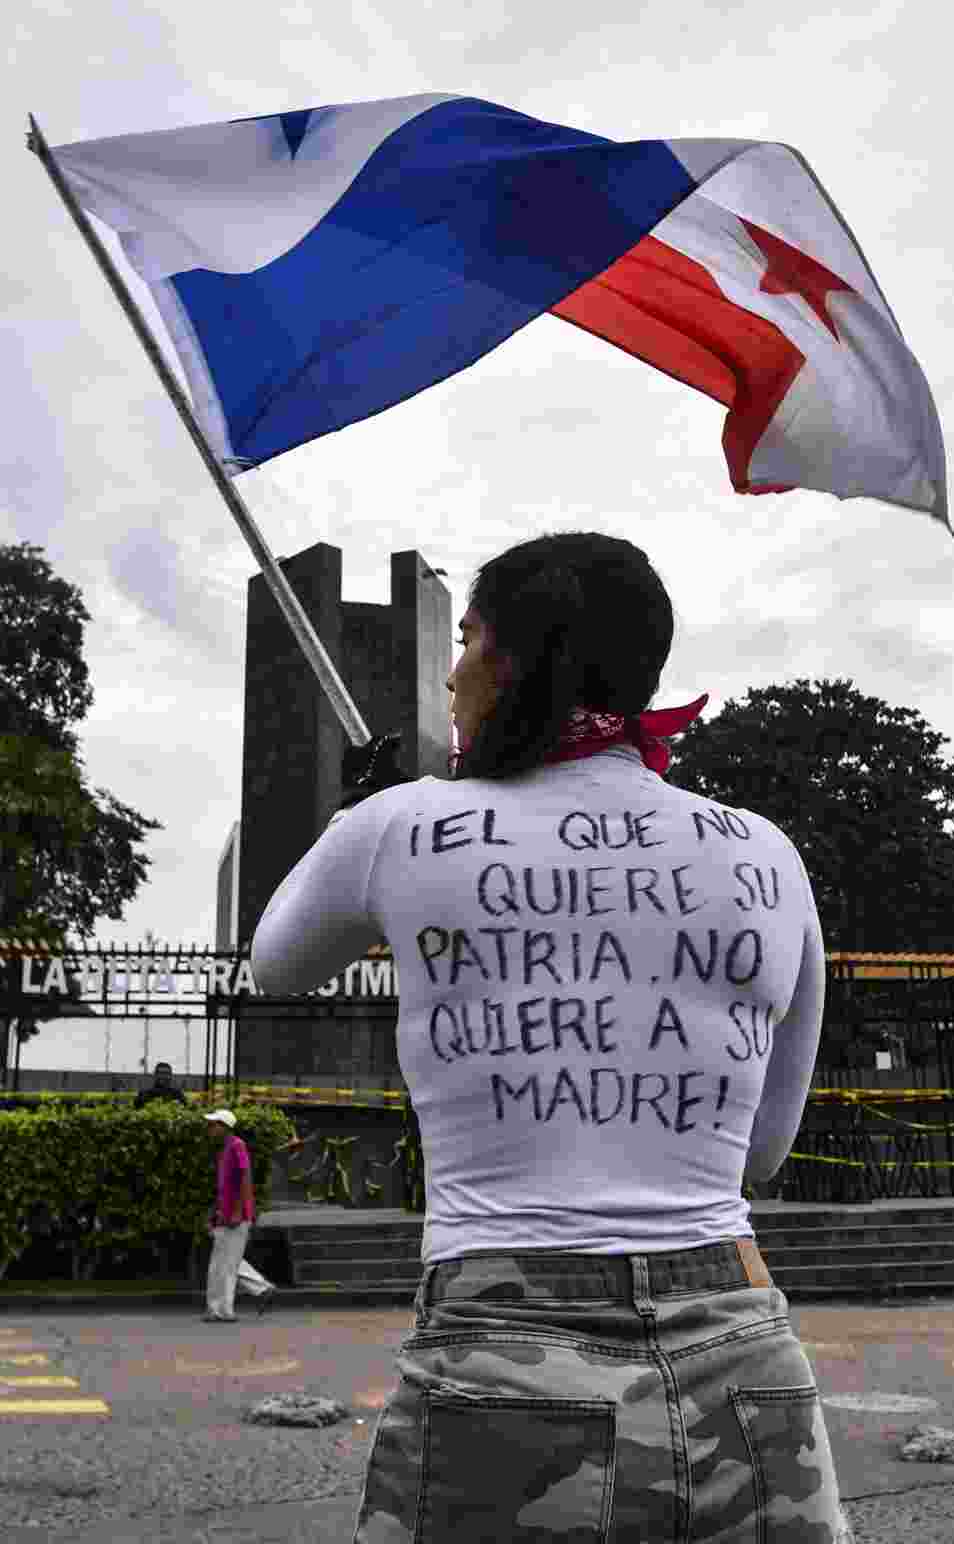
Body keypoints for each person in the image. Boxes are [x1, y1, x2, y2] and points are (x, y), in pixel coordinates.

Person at [250, 533, 853, 1542]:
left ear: (519, 657)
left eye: (472, 636)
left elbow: (277, 962)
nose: (451, 669)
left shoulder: (402, 827)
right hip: (743, 1349)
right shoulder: (766, 854)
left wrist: (357, 819)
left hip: (500, 1346)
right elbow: (761, 1151)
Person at [203, 1109, 275, 1322]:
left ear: (224, 1127)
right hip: (225, 1214)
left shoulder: (237, 1146)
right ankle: (259, 1290)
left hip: (236, 1216)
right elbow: (224, 1187)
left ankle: (223, 1311)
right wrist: (214, 1213)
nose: (210, 1128)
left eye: (214, 1124)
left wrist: (237, 1212)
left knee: (226, 1264)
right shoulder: (225, 1149)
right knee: (222, 1263)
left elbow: (245, 1179)